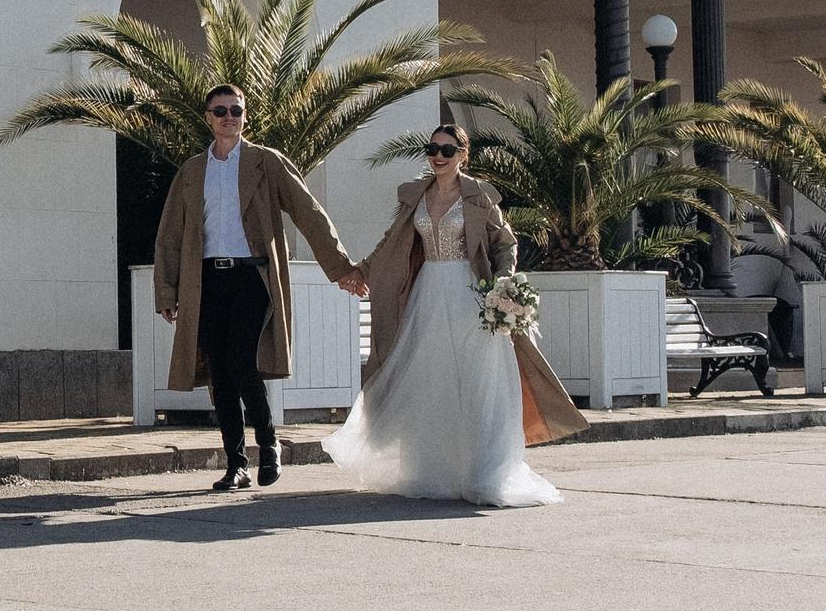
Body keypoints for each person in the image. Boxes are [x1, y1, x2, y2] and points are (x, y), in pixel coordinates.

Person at [324, 123, 588, 507]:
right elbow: (391, 241)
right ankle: (433, 473)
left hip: (471, 294)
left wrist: (503, 285)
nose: (439, 156)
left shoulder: (479, 196)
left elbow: (505, 244)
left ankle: (485, 474)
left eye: (448, 150)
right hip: (427, 293)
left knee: (477, 382)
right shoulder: (414, 195)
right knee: (431, 380)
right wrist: (361, 271)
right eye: (433, 148)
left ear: (464, 155)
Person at [153, 84, 366, 492]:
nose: (228, 116)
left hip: (253, 277)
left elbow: (309, 213)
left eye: (236, 110)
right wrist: (167, 290)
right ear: (208, 118)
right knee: (220, 371)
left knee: (240, 361)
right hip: (206, 280)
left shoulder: (265, 162)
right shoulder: (193, 170)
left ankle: (269, 445)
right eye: (220, 110)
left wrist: (340, 268)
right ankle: (236, 464)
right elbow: (169, 236)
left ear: (244, 116)